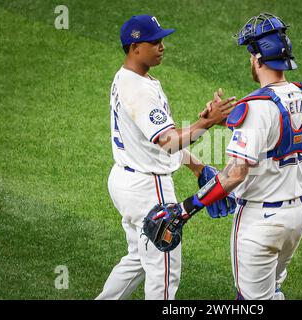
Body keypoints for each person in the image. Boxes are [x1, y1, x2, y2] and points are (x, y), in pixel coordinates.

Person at [146, 12, 302, 300]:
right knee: (272, 291)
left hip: (260, 223)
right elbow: (278, 134)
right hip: (296, 218)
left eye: (251, 56)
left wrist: (186, 209)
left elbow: (236, 174)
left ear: (259, 59)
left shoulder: (257, 106)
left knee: (249, 301)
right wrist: (223, 120)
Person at [96, 14, 236, 300]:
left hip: (126, 179)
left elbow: (160, 141)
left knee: (138, 257)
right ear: (135, 47)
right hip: (149, 188)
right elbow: (168, 142)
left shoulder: (130, 77)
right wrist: (206, 124)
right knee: (164, 273)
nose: (162, 47)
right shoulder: (138, 89)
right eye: (155, 42)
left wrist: (197, 166)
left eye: (162, 40)